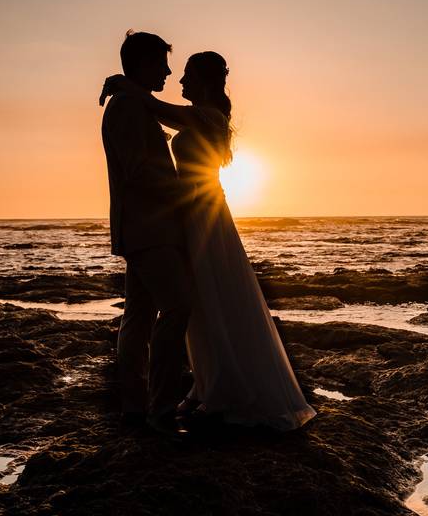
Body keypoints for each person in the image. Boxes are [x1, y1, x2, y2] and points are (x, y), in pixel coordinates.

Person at [103, 52, 316, 431]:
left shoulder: (209, 116)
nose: (178, 81)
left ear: (203, 80)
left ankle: (217, 387)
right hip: (188, 215)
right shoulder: (200, 116)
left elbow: (155, 107)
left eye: (186, 76)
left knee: (212, 298)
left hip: (203, 215)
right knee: (199, 303)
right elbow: (153, 113)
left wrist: (124, 84)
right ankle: (203, 385)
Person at [100, 30, 199, 437]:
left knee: (139, 315)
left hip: (145, 227)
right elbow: (139, 172)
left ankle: (135, 407)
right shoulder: (127, 108)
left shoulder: (133, 103)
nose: (168, 71)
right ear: (142, 64)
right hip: (149, 227)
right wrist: (186, 194)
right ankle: (159, 408)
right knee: (176, 307)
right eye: (161, 63)